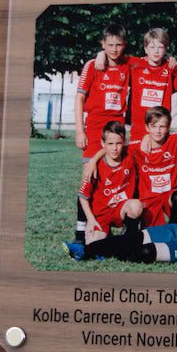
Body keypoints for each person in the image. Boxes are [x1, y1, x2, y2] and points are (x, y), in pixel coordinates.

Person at [72, 23, 131, 242]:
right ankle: (80, 232)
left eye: (119, 45)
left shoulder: (128, 65)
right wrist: (80, 131)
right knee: (89, 177)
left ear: (124, 45)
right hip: (95, 130)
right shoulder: (92, 65)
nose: (114, 49)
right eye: (110, 45)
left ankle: (122, 227)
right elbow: (79, 98)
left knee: (119, 179)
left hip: (117, 131)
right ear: (103, 44)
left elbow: (149, 61)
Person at [83, 106, 177, 227]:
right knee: (149, 235)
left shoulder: (176, 139)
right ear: (147, 127)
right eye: (153, 126)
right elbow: (113, 147)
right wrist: (93, 160)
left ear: (168, 127)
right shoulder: (137, 147)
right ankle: (131, 233)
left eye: (162, 126)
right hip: (149, 199)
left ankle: (175, 229)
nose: (158, 131)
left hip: (170, 194)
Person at [94, 27, 177, 141]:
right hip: (138, 129)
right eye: (152, 47)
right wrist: (101, 54)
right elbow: (114, 55)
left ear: (166, 49)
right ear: (145, 49)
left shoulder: (171, 68)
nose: (156, 51)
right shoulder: (135, 64)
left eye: (160, 47)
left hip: (160, 129)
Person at [71, 121, 143, 246]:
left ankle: (129, 237)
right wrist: (91, 220)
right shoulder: (94, 167)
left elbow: (148, 139)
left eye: (118, 143)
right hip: (101, 215)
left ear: (124, 142)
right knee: (93, 245)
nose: (115, 148)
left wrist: (146, 138)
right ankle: (110, 237)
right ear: (102, 143)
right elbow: (82, 196)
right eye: (110, 144)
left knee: (136, 206)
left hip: (120, 210)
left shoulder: (129, 156)